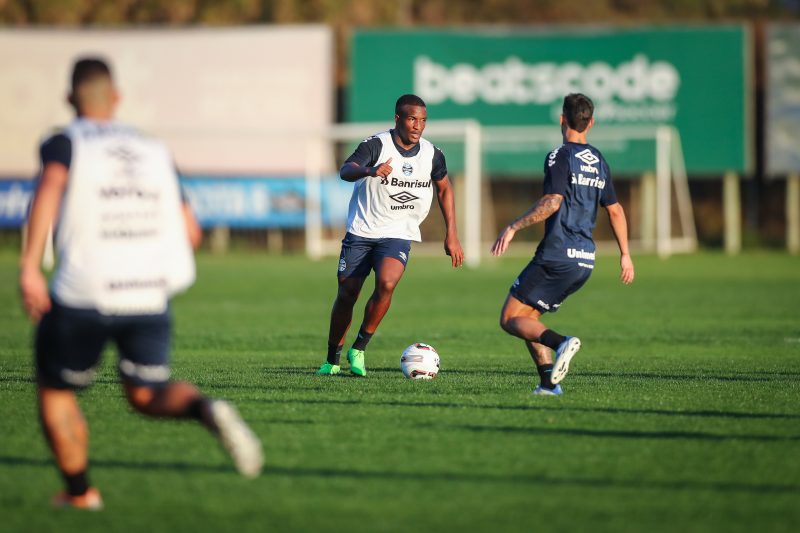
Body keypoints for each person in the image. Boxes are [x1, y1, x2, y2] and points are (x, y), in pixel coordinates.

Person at [18, 57, 263, 509]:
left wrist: (30, 266)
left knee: (57, 391)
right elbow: (191, 230)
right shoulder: (151, 149)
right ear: (117, 99)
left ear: (71, 98)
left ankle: (80, 493)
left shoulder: (64, 142)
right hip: (148, 292)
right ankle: (206, 409)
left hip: (85, 292)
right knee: (147, 393)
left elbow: (51, 184)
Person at [491, 93, 635, 396]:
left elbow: (553, 200)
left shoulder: (560, 156)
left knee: (509, 318)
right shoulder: (600, 162)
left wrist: (513, 226)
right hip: (585, 261)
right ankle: (549, 383)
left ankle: (562, 343)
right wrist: (625, 255)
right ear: (591, 123)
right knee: (529, 319)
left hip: (556, 253)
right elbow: (616, 210)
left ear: (561, 120)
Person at [317, 94, 464, 376]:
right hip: (361, 230)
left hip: (398, 232)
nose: (418, 126)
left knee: (386, 283)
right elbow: (346, 170)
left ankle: (359, 348)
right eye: (412, 119)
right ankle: (332, 359)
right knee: (347, 293)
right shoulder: (376, 145)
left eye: (422, 120)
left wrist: (452, 235)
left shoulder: (433, 154)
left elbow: (444, 188)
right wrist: (371, 170)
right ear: (398, 119)